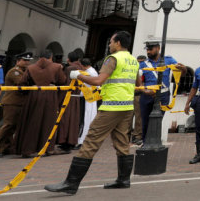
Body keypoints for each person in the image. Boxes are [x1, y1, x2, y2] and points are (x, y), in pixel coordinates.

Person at [44, 30, 140, 195]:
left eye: (111, 42)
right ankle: (124, 179)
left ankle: (71, 183)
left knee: (91, 142)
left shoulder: (113, 59)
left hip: (111, 106)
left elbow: (97, 81)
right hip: (126, 107)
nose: (109, 45)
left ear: (117, 43)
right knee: (122, 143)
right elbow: (137, 82)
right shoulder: (133, 60)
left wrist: (78, 76)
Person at [15, 49, 67, 157]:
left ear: (39, 57)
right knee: (48, 122)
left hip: (34, 95)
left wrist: (30, 89)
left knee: (31, 121)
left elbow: (22, 83)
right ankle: (48, 149)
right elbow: (63, 81)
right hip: (50, 95)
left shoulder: (30, 68)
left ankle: (27, 149)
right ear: (50, 57)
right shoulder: (56, 67)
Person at [0, 52, 32, 157]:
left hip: (18, 103)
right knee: (8, 125)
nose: (27, 62)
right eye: (24, 60)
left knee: (12, 126)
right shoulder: (15, 72)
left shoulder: (24, 72)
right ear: (18, 61)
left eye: (28, 61)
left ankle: (7, 146)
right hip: (11, 102)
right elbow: (22, 83)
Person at [137, 39, 180, 143]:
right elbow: (138, 80)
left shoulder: (168, 60)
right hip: (147, 94)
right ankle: (145, 142)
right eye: (147, 49)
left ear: (158, 48)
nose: (148, 52)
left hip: (162, 95)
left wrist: (183, 69)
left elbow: (181, 72)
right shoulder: (143, 64)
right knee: (145, 121)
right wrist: (144, 91)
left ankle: (155, 142)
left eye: (150, 49)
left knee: (157, 120)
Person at [79, 57, 98, 143]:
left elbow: (95, 84)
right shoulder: (89, 71)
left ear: (83, 65)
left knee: (86, 118)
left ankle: (83, 139)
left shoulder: (91, 72)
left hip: (89, 99)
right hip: (87, 97)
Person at [131, 54, 146, 144]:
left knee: (138, 117)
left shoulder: (145, 71)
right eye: (138, 62)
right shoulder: (133, 69)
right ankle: (126, 135)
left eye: (141, 62)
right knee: (128, 116)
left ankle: (137, 135)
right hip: (130, 94)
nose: (139, 63)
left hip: (138, 95)